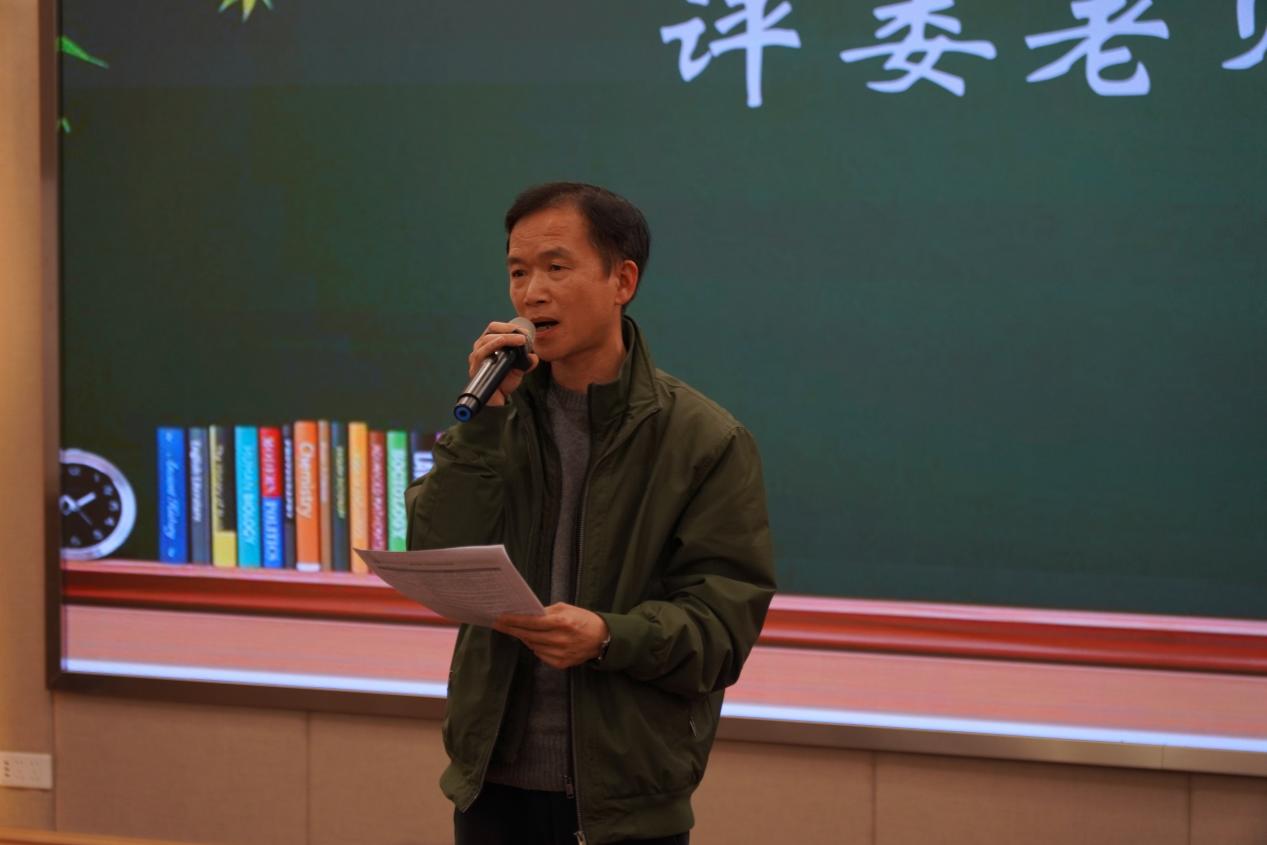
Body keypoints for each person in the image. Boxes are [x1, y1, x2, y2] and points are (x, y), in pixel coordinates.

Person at [405, 182, 775, 845]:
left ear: (621, 280)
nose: (531, 293)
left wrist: (608, 635)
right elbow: (437, 552)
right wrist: (482, 427)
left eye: (556, 266)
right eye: (518, 272)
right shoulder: (497, 419)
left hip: (626, 801)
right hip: (492, 786)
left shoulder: (704, 440)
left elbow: (721, 631)